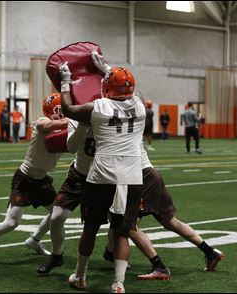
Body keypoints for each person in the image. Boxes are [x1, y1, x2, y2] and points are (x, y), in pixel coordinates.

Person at [59, 53, 146, 293]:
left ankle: (80, 276)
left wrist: (65, 80)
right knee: (121, 233)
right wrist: (108, 69)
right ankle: (118, 284)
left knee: (90, 228)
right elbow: (127, 90)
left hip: (102, 175)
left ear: (107, 86)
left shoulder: (97, 108)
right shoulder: (140, 106)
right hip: (132, 176)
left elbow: (67, 108)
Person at [0, 95, 69, 264]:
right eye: (61, 109)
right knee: (12, 222)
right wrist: (75, 119)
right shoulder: (42, 122)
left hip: (42, 180)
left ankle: (34, 240)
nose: (63, 112)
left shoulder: (65, 129)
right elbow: (50, 125)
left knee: (57, 214)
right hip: (25, 179)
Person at [104, 141, 225, 280]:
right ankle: (210, 252)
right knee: (169, 221)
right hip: (151, 174)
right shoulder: (130, 125)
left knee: (129, 225)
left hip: (140, 178)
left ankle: (159, 266)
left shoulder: (118, 130)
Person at [36, 119, 94, 274]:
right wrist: (83, 124)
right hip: (78, 175)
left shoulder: (111, 118)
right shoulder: (77, 119)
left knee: (115, 221)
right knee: (56, 217)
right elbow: (72, 147)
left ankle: (112, 253)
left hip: (102, 177)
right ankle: (57, 255)